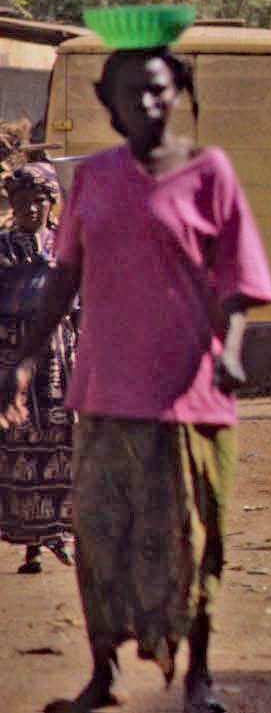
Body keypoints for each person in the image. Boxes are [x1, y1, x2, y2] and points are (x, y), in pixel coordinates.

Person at [4, 45, 271, 713]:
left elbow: (237, 283)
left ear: (178, 95)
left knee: (193, 536)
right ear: (111, 103)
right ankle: (105, 672)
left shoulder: (209, 173)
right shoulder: (94, 179)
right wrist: (26, 356)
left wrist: (232, 347)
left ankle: (200, 675)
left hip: (190, 392)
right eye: (133, 93)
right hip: (104, 390)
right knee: (100, 535)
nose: (147, 103)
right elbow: (64, 276)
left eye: (159, 90)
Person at [0, 163, 76, 575]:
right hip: (13, 358)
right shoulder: (3, 247)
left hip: (61, 359)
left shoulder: (65, 243)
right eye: (22, 202)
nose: (31, 209)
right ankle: (30, 545)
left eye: (39, 201)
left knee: (63, 441)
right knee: (20, 446)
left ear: (51, 203)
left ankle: (59, 533)